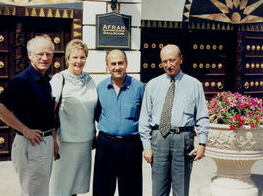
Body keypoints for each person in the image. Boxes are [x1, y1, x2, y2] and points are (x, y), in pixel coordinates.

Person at [139, 44, 210, 196]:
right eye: (164, 61)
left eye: (172, 60)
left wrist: (202, 143)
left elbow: (202, 116)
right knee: (158, 190)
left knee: (181, 189)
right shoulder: (152, 85)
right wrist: (146, 146)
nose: (168, 65)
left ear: (181, 59)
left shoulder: (194, 85)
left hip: (183, 140)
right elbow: (144, 117)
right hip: (159, 139)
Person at [0, 34, 56, 196]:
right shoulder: (22, 81)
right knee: (33, 192)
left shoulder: (44, 80)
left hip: (44, 143)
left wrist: (53, 140)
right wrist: (25, 129)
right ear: (29, 55)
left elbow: (48, 114)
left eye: (48, 54)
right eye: (40, 54)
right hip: (32, 144)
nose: (45, 58)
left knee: (38, 191)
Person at [93, 49, 145, 196]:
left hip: (131, 146)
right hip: (105, 145)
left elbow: (146, 116)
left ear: (126, 64)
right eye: (113, 63)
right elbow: (97, 113)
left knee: (131, 190)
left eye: (120, 63)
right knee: (102, 189)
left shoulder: (139, 88)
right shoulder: (100, 88)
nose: (117, 67)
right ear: (107, 66)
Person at [49, 39, 97, 196]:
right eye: (75, 57)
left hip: (85, 142)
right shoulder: (59, 79)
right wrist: (53, 140)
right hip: (65, 142)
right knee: (61, 187)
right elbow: (50, 112)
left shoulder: (89, 79)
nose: (79, 61)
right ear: (67, 58)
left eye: (82, 57)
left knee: (75, 186)